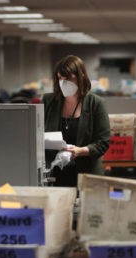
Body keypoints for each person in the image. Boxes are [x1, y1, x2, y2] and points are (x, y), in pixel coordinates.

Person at [44, 55, 110, 187]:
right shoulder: (48, 101)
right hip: (54, 173)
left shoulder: (95, 103)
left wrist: (81, 150)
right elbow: (36, 133)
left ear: (81, 77)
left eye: (68, 79)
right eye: (60, 78)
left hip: (86, 173)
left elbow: (103, 142)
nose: (63, 83)